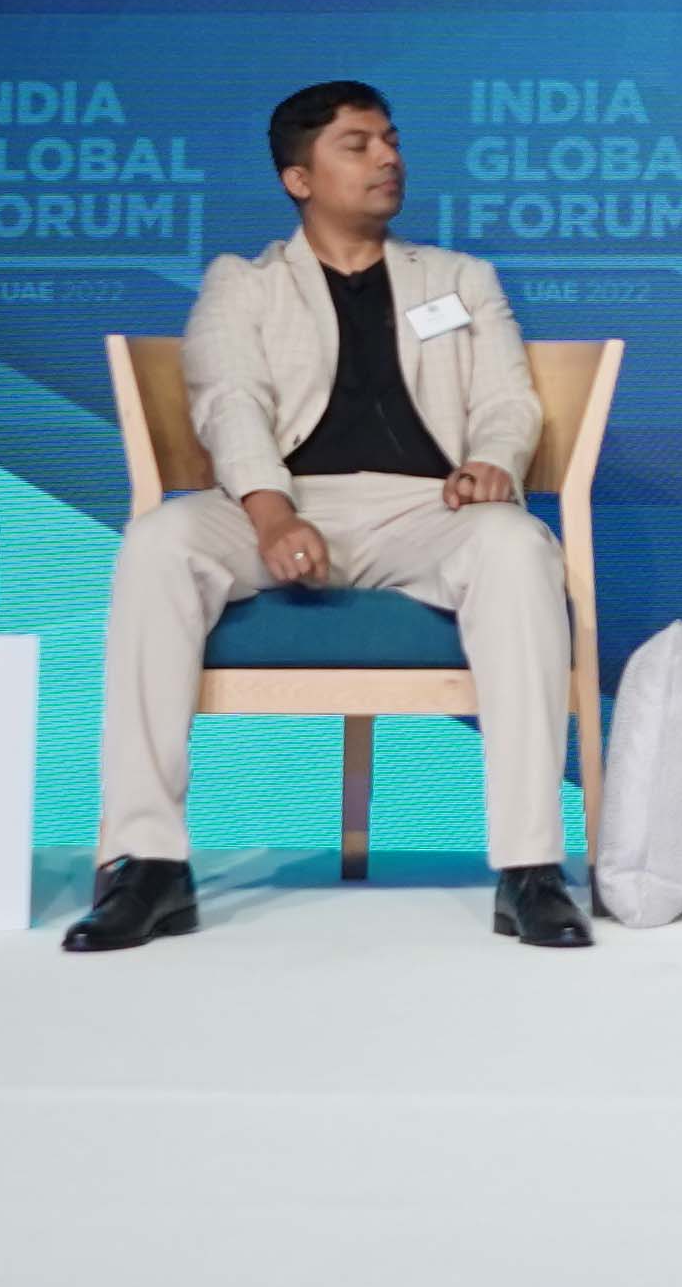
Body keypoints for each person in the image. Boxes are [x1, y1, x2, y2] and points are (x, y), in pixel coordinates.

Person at [69, 80, 590, 956]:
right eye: (358, 145)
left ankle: (530, 869)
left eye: (392, 140)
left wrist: (493, 461)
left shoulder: (459, 280)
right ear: (299, 179)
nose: (388, 158)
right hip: (281, 502)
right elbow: (229, 402)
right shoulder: (243, 284)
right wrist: (272, 516)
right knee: (159, 541)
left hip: (425, 511)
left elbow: (508, 400)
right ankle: (148, 863)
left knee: (516, 545)